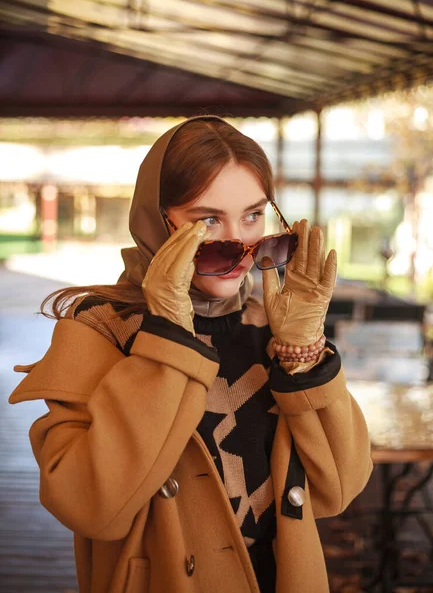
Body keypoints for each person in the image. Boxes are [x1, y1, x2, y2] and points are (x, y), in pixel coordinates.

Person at [9, 115, 372, 593]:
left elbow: (338, 489)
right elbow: (91, 506)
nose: (240, 244)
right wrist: (168, 341)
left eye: (253, 215)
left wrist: (302, 354)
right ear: (154, 221)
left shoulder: (273, 326)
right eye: (207, 220)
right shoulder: (99, 328)